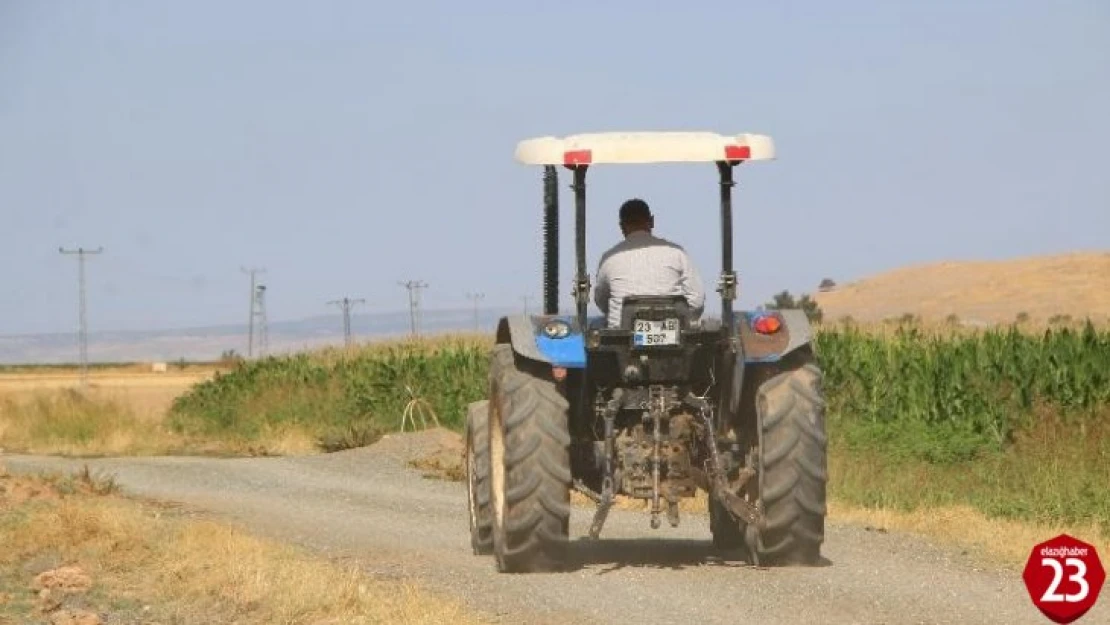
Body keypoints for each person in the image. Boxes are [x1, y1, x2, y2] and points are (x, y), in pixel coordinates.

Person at [593, 198, 706, 328]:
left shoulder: (610, 258)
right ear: (651, 221)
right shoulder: (677, 253)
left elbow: (601, 300)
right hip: (674, 332)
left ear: (622, 226)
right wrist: (680, 319)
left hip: (623, 336)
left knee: (597, 325)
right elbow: (697, 300)